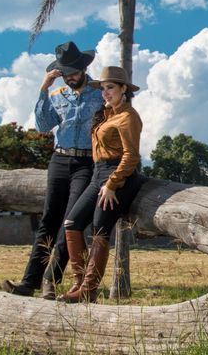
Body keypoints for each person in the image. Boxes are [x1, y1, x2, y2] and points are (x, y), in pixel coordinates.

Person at [2, 41, 103, 299]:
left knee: (70, 221)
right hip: (59, 161)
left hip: (87, 164)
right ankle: (29, 282)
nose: (70, 78)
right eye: (65, 74)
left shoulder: (99, 93)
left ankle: (51, 279)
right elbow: (43, 126)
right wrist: (43, 89)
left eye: (74, 73)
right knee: (49, 220)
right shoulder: (57, 95)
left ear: (83, 68)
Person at [59, 66, 143, 303]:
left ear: (123, 89)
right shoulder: (109, 114)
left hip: (118, 175)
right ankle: (79, 282)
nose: (105, 93)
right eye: (103, 88)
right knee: (72, 223)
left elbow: (131, 156)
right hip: (98, 174)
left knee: (99, 228)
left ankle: (89, 290)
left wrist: (113, 184)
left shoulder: (128, 117)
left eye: (110, 88)